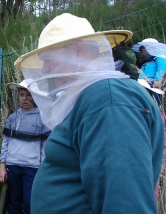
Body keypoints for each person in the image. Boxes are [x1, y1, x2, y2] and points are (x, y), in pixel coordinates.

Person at [14, 13, 164, 213]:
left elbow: (126, 204)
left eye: (49, 59)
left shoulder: (109, 100)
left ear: (80, 49)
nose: (45, 69)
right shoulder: (95, 97)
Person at [0, 80, 50, 214]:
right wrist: (2, 167)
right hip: (12, 166)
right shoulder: (12, 118)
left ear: (35, 96)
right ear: (18, 96)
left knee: (29, 202)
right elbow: (6, 143)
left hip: (32, 168)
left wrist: (42, 169)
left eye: (29, 95)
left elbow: (45, 147)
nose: (25, 98)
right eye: (21, 94)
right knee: (13, 202)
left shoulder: (42, 118)